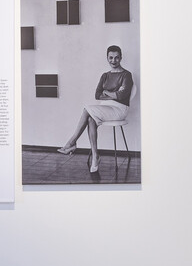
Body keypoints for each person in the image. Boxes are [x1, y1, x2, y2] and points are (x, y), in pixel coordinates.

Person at [57, 45, 134, 173]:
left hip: (119, 110)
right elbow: (97, 94)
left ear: (121, 58)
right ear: (107, 58)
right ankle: (95, 156)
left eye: (116, 58)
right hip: (105, 109)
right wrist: (113, 93)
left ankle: (71, 142)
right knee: (90, 120)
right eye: (110, 58)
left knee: (87, 109)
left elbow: (121, 96)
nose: (113, 61)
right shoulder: (105, 75)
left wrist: (107, 92)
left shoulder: (127, 75)